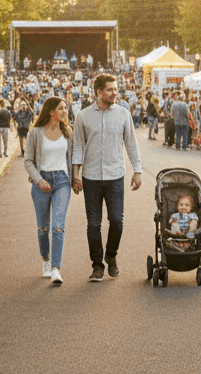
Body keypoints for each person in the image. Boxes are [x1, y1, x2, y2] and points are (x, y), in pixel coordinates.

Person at [72, 74, 142, 282]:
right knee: (93, 223)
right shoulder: (83, 116)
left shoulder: (123, 114)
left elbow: (131, 143)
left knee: (117, 221)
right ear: (98, 92)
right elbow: (78, 146)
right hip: (91, 177)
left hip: (115, 176)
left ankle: (111, 255)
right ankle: (97, 265)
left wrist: (137, 170)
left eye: (115, 89)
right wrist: (76, 174)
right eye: (110, 90)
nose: (115, 93)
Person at [25, 96, 74, 284]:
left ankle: (55, 268)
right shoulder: (35, 133)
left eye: (65, 108)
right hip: (41, 181)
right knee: (43, 227)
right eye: (61, 108)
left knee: (58, 226)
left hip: (62, 180)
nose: (64, 111)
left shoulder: (68, 132)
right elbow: (28, 160)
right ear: (51, 111)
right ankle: (45, 260)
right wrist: (38, 180)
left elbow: (73, 157)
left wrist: (75, 178)